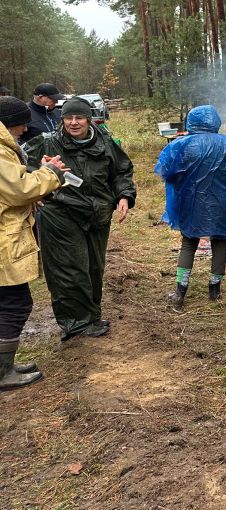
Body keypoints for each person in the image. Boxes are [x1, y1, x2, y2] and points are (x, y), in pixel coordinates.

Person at [24, 96, 137, 341]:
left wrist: (124, 196)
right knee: (69, 268)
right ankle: (76, 323)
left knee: (94, 267)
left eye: (79, 117)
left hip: (98, 213)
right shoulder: (47, 143)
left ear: (89, 119)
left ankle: (91, 315)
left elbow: (122, 171)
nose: (74, 123)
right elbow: (20, 168)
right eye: (68, 117)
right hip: (60, 213)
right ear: (62, 118)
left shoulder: (105, 142)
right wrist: (36, 187)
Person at [155, 105, 226, 308]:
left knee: (189, 243)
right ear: (215, 122)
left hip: (191, 202)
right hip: (222, 202)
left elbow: (166, 172)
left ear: (191, 122)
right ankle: (214, 290)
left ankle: (180, 292)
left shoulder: (180, 145)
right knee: (219, 241)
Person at [0, 96, 66, 389]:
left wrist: (38, 174)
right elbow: (19, 189)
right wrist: (51, 174)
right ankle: (3, 372)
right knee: (14, 304)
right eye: (21, 122)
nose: (26, 128)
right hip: (4, 238)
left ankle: (5, 365)